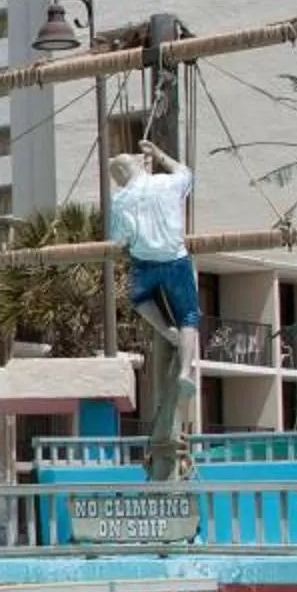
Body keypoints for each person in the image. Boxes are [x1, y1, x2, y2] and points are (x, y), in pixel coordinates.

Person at [106, 137, 199, 459]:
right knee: (189, 316)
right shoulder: (165, 183)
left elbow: (120, 239)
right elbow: (185, 173)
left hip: (145, 262)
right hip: (175, 259)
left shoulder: (121, 200)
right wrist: (160, 154)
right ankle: (186, 370)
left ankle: (164, 330)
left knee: (138, 297)